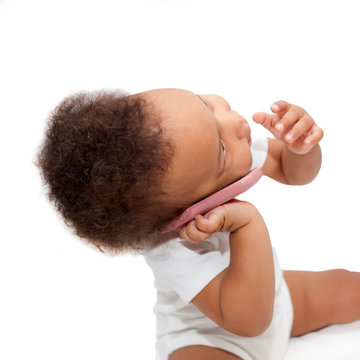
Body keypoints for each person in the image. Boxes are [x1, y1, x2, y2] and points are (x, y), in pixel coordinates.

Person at [36, 88, 360, 360]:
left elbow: (293, 172)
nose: (236, 123)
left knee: (346, 285)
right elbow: (248, 322)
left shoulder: (215, 159)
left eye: (205, 104)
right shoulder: (173, 248)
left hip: (276, 299)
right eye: (221, 147)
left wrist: (299, 147)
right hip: (211, 340)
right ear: (185, 213)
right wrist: (249, 225)